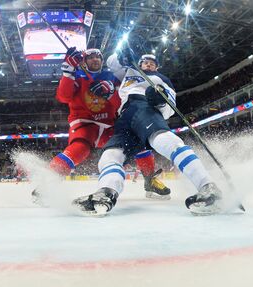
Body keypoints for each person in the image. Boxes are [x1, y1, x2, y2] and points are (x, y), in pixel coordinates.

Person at [73, 50, 222, 216]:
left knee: (163, 140)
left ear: (157, 66)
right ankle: (106, 192)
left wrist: (160, 99)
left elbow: (170, 108)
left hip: (145, 108)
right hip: (125, 116)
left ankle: (207, 186)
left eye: (152, 62)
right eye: (145, 61)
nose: (148, 64)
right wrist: (122, 56)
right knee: (110, 155)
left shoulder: (161, 79)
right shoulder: (129, 70)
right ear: (140, 62)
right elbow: (111, 62)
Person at [38, 47, 170, 199]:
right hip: (85, 123)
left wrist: (111, 92)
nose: (95, 59)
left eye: (98, 57)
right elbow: (63, 97)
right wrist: (68, 72)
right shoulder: (77, 75)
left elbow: (122, 102)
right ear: (84, 61)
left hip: (110, 126)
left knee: (138, 142)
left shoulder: (112, 76)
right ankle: (47, 183)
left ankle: (150, 180)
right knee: (79, 148)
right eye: (91, 57)